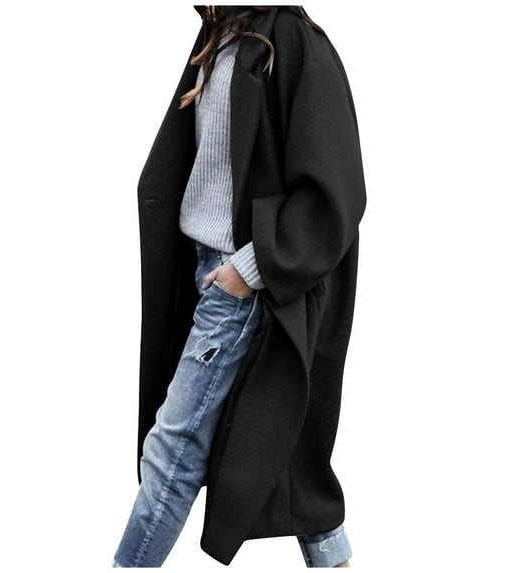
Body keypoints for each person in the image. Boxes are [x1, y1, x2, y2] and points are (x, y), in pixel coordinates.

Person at [112, 5, 366, 568]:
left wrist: (248, 271)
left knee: (173, 448)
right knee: (283, 448)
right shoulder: (221, 36)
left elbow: (337, 186)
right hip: (203, 268)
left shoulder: (294, 42)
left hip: (241, 280)